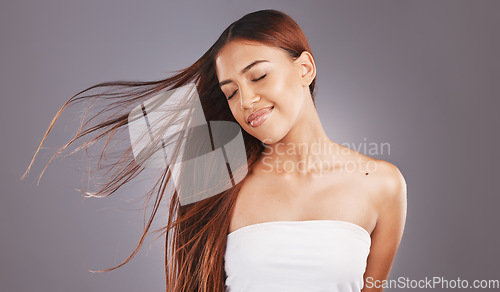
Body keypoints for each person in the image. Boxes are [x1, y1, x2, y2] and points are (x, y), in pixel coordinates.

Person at [22, 9, 407, 292]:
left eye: (258, 76)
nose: (248, 100)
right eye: (231, 92)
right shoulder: (212, 176)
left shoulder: (383, 185)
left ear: (305, 68)